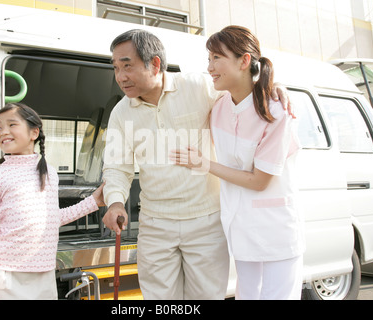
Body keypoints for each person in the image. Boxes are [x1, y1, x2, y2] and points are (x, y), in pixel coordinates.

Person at [101, 29, 292, 300]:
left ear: (155, 64)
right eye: (116, 68)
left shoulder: (198, 87)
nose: (120, 77)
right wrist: (116, 202)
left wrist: (274, 89)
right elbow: (116, 167)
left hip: (206, 221)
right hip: (156, 223)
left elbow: (243, 94)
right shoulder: (121, 113)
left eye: (127, 66)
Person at [170, 25, 304, 300]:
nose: (210, 67)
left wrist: (203, 163)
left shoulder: (276, 112)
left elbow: (259, 180)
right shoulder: (218, 107)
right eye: (208, 59)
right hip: (240, 229)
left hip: (276, 232)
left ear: (244, 61)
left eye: (217, 58)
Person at [0, 103, 105, 300]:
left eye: (11, 124)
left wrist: (94, 202)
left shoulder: (49, 172)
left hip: (44, 274)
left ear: (34, 132)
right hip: (7, 277)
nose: (3, 132)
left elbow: (50, 219)